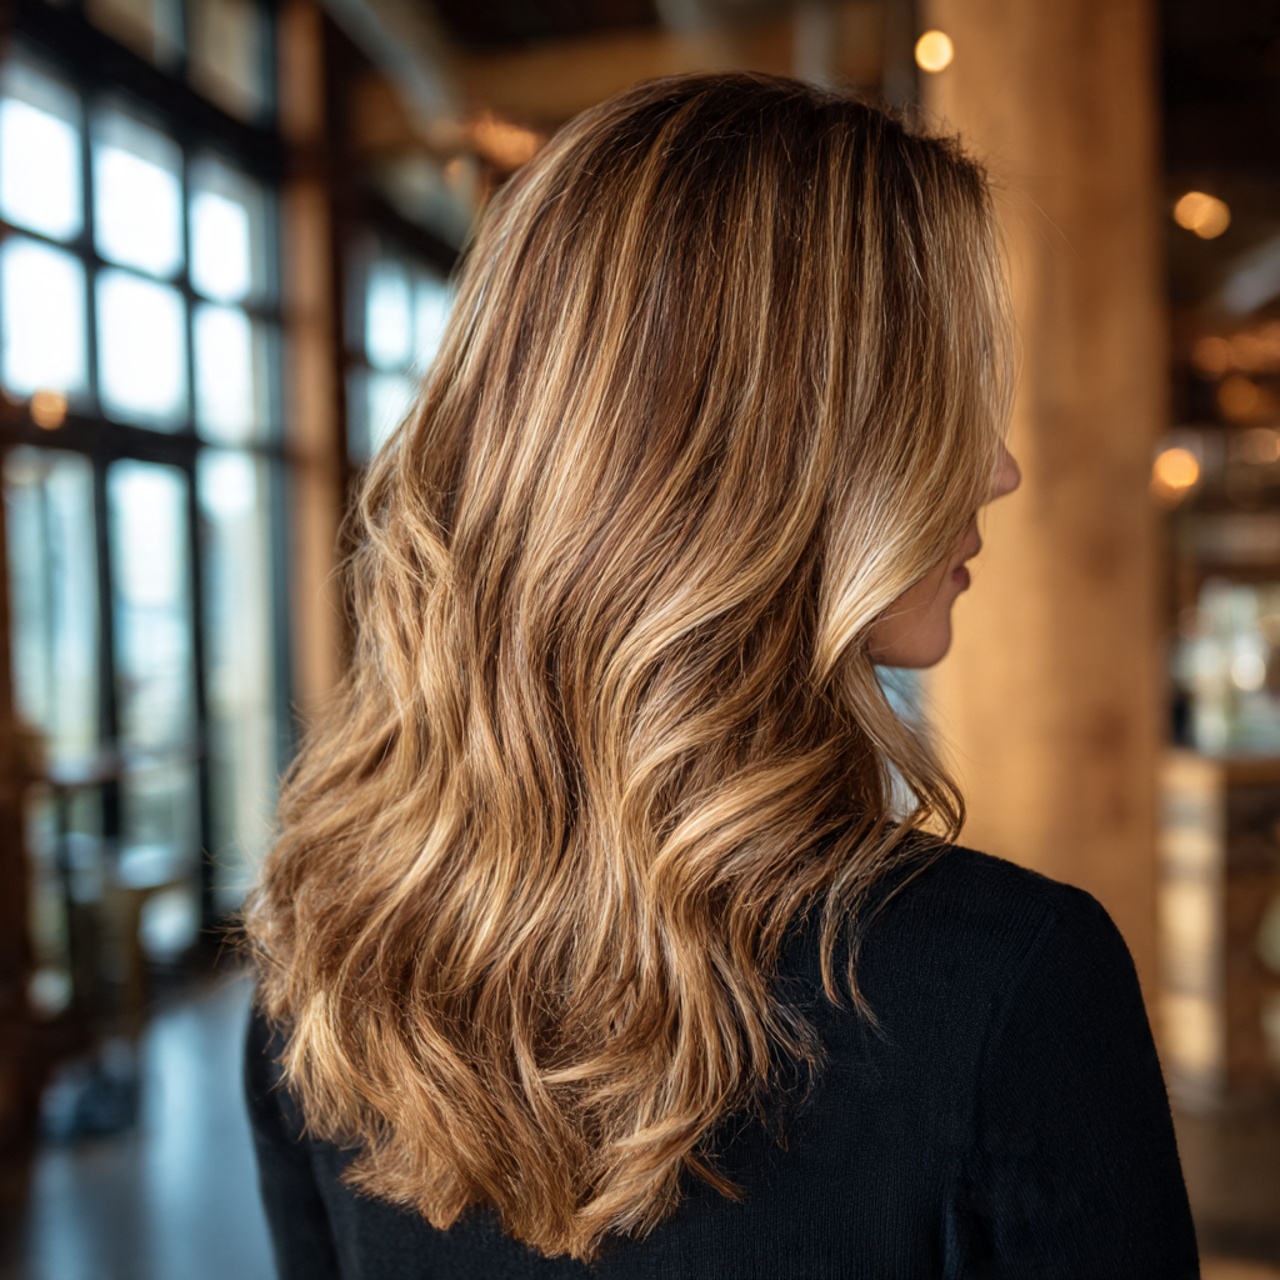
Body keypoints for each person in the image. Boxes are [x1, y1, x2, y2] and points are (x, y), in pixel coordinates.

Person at [243, 71, 1199, 1278]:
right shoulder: (1005, 988)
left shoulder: (324, 968)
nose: (997, 469)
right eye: (936, 403)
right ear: (775, 460)